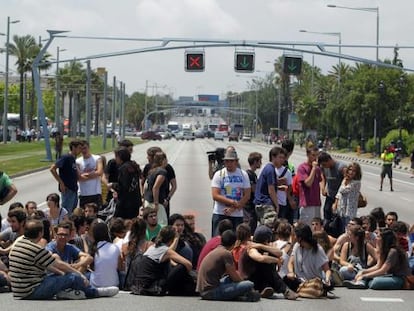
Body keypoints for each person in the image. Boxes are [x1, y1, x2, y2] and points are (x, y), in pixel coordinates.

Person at [8, 219, 119, 300]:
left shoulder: (18, 244)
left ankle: (69, 291)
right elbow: (57, 264)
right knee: (73, 277)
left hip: (19, 292)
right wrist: (78, 273)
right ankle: (94, 292)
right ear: (40, 233)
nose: (62, 237)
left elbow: (53, 266)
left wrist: (65, 272)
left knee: (66, 275)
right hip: (33, 291)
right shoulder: (37, 249)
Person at [196, 229, 260, 302]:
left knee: (228, 279)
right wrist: (244, 283)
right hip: (211, 291)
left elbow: (230, 275)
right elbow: (235, 277)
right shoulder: (226, 253)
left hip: (203, 290)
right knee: (249, 284)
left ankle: (244, 295)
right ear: (235, 242)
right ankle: (249, 294)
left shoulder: (218, 249)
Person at [238, 225, 298, 300]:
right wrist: (276, 260)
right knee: (267, 263)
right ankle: (285, 290)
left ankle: (265, 288)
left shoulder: (258, 246)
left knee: (270, 256)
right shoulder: (251, 248)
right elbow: (261, 258)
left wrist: (261, 246)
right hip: (248, 280)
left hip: (258, 278)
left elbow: (279, 253)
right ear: (266, 240)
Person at [134, 226, 195, 296]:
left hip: (139, 286)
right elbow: (188, 264)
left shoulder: (152, 247)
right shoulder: (165, 250)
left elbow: (170, 262)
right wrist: (176, 239)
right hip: (152, 287)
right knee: (182, 267)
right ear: (172, 240)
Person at [344, 228, 411, 290]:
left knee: (375, 282)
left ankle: (362, 282)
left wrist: (365, 276)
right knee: (366, 275)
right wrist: (363, 272)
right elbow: (378, 266)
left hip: (399, 278)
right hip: (389, 276)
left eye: (378, 236)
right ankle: (360, 283)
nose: (376, 238)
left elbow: (382, 270)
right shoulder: (384, 250)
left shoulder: (393, 251)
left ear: (384, 239)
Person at [211, 149, 251, 237]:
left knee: (236, 240)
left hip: (237, 214)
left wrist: (233, 208)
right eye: (226, 161)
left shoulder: (243, 174)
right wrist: (232, 202)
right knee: (218, 239)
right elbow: (215, 195)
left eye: (231, 161)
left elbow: (247, 195)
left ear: (236, 162)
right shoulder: (219, 174)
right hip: (220, 213)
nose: (229, 163)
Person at [284, 223, 332, 291]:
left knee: (326, 285)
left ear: (300, 238)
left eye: (294, 235)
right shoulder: (297, 246)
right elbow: (290, 263)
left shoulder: (318, 249)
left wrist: (327, 279)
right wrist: (291, 272)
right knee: (286, 279)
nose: (293, 237)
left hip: (313, 282)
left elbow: (327, 270)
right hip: (300, 281)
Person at [50, 139, 83, 215]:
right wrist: (61, 183)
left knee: (73, 212)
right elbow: (52, 169)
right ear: (73, 147)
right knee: (66, 212)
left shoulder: (73, 159)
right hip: (67, 189)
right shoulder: (66, 157)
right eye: (79, 148)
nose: (80, 151)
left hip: (74, 189)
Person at [142, 146, 177, 219]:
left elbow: (174, 186)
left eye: (149, 156)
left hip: (160, 200)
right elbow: (153, 187)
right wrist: (155, 203)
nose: (147, 158)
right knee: (161, 223)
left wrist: (168, 198)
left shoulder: (167, 168)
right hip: (157, 202)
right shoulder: (158, 170)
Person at [253, 147, 282, 227]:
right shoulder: (270, 169)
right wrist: (277, 205)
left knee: (263, 228)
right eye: (280, 157)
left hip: (260, 203)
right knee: (270, 228)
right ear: (273, 157)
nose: (282, 160)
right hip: (265, 204)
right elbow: (271, 190)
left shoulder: (267, 168)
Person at [112, 147, 142, 219]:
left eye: (116, 157)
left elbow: (124, 186)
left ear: (121, 157)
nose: (115, 159)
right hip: (135, 201)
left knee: (120, 223)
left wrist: (113, 185)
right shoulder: (133, 166)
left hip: (125, 203)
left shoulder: (124, 169)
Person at [318, 152, 347, 224]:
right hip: (330, 196)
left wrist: (337, 202)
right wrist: (323, 187)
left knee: (337, 219)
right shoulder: (323, 167)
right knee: (326, 215)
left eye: (325, 164)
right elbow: (322, 176)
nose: (324, 167)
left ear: (329, 160)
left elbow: (347, 182)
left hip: (340, 198)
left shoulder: (341, 167)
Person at [89, 222, 121, 288]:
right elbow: (119, 267)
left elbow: (91, 267)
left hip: (96, 284)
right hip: (114, 284)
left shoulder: (93, 248)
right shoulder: (115, 248)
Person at [296, 147, 322, 226]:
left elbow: (321, 180)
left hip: (316, 202)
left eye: (317, 155)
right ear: (308, 155)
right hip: (307, 203)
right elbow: (308, 183)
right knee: (307, 227)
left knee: (317, 227)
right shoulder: (302, 167)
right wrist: (313, 169)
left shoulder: (318, 169)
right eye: (313, 155)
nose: (315, 158)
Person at [143, 151, 169, 227]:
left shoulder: (152, 171)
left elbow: (145, 186)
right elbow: (155, 187)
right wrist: (156, 203)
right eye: (165, 159)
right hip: (155, 203)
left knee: (150, 225)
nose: (167, 161)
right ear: (162, 160)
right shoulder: (162, 172)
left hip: (148, 201)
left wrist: (144, 199)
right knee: (162, 224)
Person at [334, 162, 362, 229]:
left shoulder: (356, 183)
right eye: (350, 170)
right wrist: (335, 204)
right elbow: (338, 193)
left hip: (349, 211)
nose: (351, 172)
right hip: (341, 209)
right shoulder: (345, 180)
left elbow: (343, 190)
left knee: (348, 229)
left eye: (354, 171)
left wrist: (346, 181)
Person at [76, 140, 103, 209]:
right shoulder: (77, 161)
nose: (83, 150)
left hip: (95, 193)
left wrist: (85, 175)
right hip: (83, 193)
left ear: (89, 147)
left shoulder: (97, 158)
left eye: (85, 148)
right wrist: (93, 174)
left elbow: (99, 172)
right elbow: (79, 178)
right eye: (81, 149)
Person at [244, 152, 262, 233]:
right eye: (259, 161)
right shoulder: (249, 174)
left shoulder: (253, 174)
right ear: (255, 162)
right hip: (249, 207)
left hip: (252, 206)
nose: (261, 163)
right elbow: (254, 190)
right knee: (250, 228)